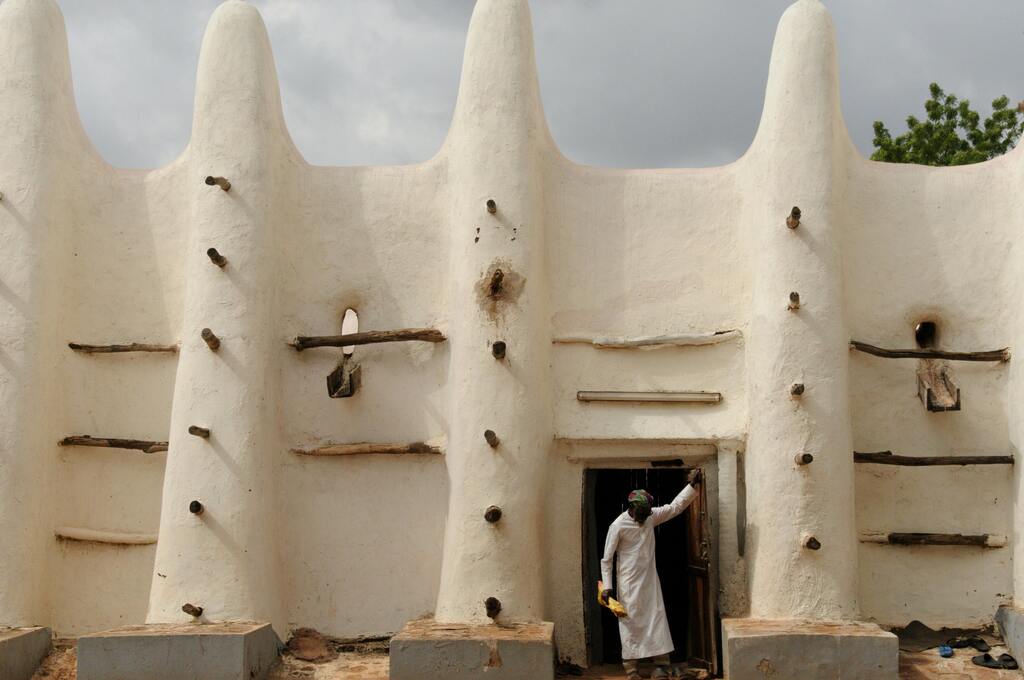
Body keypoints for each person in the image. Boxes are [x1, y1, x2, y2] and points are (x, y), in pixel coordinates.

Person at [600, 469, 703, 680]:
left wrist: (691, 486)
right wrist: (608, 587)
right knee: (630, 622)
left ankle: (661, 666)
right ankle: (631, 669)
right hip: (628, 583)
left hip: (649, 580)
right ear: (631, 508)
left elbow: (674, 507)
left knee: (656, 619)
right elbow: (607, 559)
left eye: (648, 513)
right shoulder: (617, 526)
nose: (645, 516)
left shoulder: (649, 517)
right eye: (642, 513)